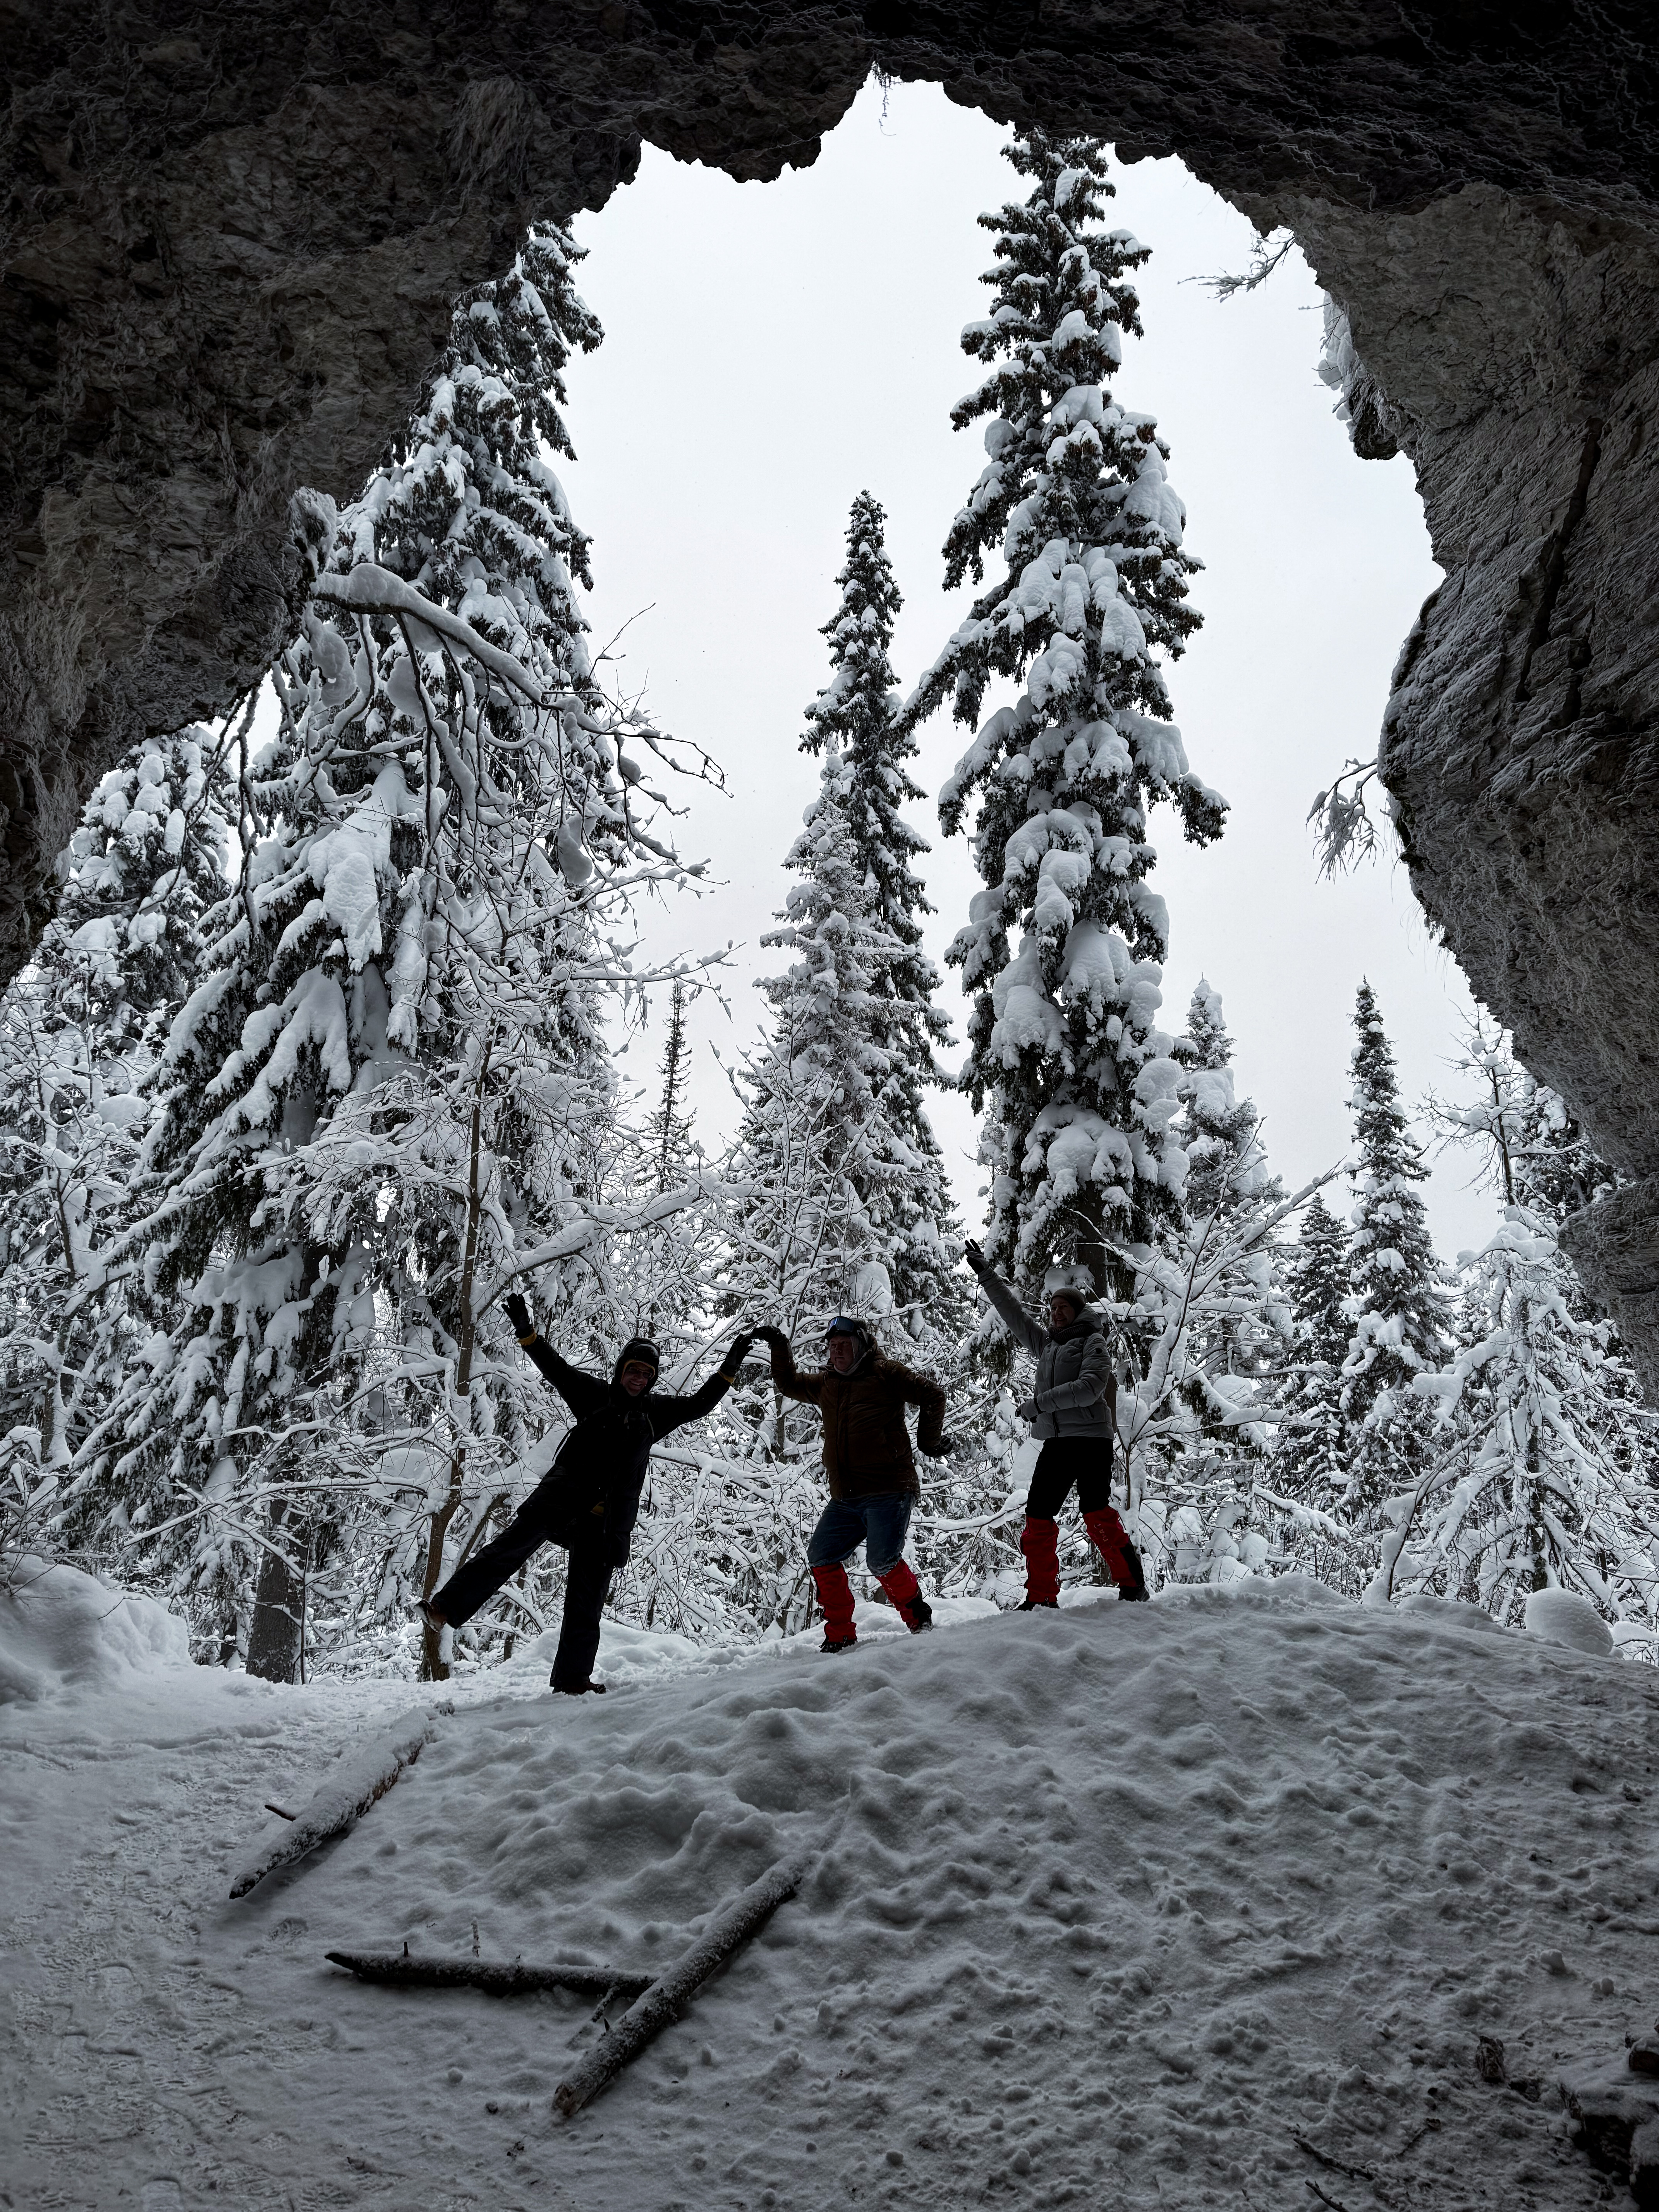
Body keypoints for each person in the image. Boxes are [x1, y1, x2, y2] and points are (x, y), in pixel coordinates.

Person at [421, 1296, 755, 1693]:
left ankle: (572, 1679)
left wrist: (730, 1365)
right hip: (560, 1500)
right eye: (634, 1370)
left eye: (647, 1374)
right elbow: (557, 1371)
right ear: (622, 1371)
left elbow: (701, 1404)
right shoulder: (594, 1395)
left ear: (653, 1378)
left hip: (605, 1521)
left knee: (586, 1602)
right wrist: (527, 1334)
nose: (640, 1378)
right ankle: (445, 1607)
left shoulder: (656, 1413)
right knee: (506, 1550)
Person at [963, 1242, 1148, 1607]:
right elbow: (1014, 1314)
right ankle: (1042, 1597)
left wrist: (1038, 1405)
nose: (1056, 1314)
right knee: (1037, 1516)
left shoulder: (1093, 1342)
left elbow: (1090, 1388)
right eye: (1053, 1309)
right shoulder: (1047, 1344)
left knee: (1096, 1514)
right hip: (1058, 1443)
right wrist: (986, 1274)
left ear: (1078, 1312)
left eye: (1063, 1308)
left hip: (1092, 1440)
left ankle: (1132, 1585)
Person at [755, 1316, 949, 1652]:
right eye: (832, 1346)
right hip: (846, 1497)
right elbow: (788, 1383)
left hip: (889, 1489)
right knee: (821, 1556)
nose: (837, 1351)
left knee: (881, 1561)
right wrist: (779, 1346)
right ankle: (840, 1634)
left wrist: (929, 1443)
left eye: (844, 1345)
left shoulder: (885, 1373)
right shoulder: (828, 1384)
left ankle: (919, 1619)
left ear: (860, 1344)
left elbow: (933, 1394)